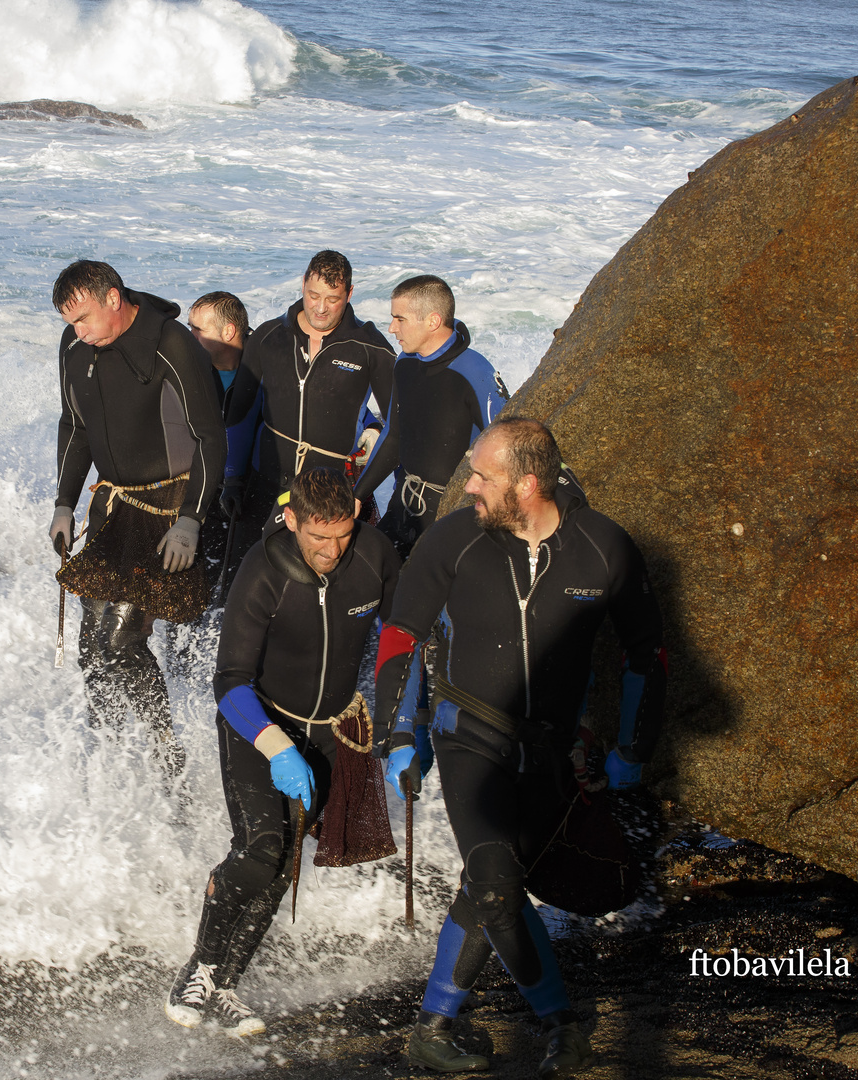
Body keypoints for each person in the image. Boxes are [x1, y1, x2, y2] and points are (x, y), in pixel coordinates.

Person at [374, 418, 666, 1078]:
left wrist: (631, 751)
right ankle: (563, 1025)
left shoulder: (603, 549)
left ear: (528, 485)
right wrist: (401, 730)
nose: (469, 486)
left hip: (551, 752)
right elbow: (400, 637)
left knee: (485, 887)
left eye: (483, 476)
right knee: (499, 884)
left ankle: (433, 1027)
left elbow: (649, 653)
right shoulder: (452, 541)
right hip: (467, 736)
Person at [166, 468, 401, 1036]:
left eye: (342, 534)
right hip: (258, 724)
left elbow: (402, 634)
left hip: (329, 730)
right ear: (292, 519)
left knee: (285, 863)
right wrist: (277, 749)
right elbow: (230, 681)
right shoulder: (265, 567)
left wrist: (401, 728)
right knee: (260, 849)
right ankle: (198, 968)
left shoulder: (374, 555)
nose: (331, 550)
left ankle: (226, 988)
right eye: (318, 537)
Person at [49, 261, 228, 772]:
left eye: (83, 318)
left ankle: (165, 753)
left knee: (122, 642)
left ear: (112, 298)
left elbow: (210, 438)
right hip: (112, 508)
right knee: (91, 650)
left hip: (168, 512)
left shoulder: (171, 344)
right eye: (70, 323)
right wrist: (64, 502)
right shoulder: (74, 345)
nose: (77, 332)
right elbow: (75, 425)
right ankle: (106, 754)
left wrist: (191, 519)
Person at [222, 251, 394, 532]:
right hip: (265, 484)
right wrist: (232, 479)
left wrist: (362, 492)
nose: (321, 308)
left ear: (349, 294)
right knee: (247, 573)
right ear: (303, 284)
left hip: (330, 493)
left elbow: (398, 430)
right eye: (314, 295)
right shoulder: (269, 336)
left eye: (333, 299)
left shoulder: (371, 348)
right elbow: (240, 412)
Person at [353, 275, 509, 558]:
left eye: (400, 319)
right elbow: (394, 437)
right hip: (405, 507)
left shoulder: (475, 371)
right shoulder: (405, 363)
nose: (391, 328)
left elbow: (509, 453)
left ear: (433, 321)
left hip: (453, 515)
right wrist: (357, 494)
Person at [188, 291, 255, 586]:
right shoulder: (189, 368)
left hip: (253, 491)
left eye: (197, 330)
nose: (188, 336)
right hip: (204, 488)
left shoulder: (266, 366)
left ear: (228, 332)